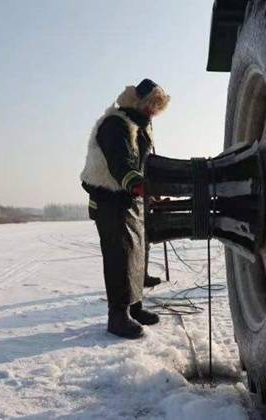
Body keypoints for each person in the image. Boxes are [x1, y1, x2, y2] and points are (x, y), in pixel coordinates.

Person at [80, 79, 170, 339]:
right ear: (138, 101)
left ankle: (135, 307)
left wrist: (150, 193)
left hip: (129, 198)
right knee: (118, 256)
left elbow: (142, 165)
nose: (153, 111)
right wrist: (140, 186)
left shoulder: (140, 127)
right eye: (151, 104)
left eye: (157, 106)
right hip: (108, 199)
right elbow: (122, 165)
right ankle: (117, 316)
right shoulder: (115, 124)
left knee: (136, 252)